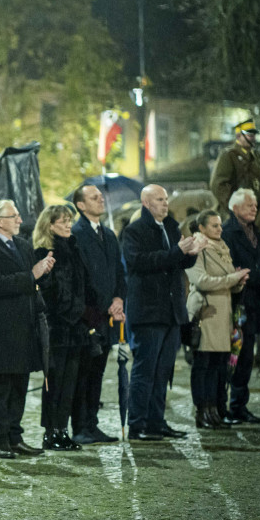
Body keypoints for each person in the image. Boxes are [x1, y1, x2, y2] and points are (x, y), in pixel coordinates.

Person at [123, 185, 206, 441]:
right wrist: (177, 252)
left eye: (166, 199)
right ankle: (137, 425)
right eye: (159, 199)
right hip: (148, 312)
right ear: (146, 202)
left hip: (171, 312)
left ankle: (156, 421)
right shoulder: (134, 231)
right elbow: (139, 262)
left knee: (163, 371)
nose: (165, 203)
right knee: (145, 371)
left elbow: (176, 262)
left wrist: (191, 254)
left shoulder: (171, 226)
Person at [0, 200, 50, 459]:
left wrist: (43, 272)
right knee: (2, 386)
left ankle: (16, 437)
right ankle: (1, 440)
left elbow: (33, 281)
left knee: (20, 384)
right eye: (13, 216)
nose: (19, 220)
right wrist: (31, 276)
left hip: (25, 326)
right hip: (1, 328)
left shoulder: (23, 245)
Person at [185, 210, 249, 429]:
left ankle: (214, 409)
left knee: (218, 365)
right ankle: (203, 410)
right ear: (201, 228)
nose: (219, 229)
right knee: (204, 364)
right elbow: (201, 281)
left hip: (223, 312)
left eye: (220, 225)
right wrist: (233, 278)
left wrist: (239, 282)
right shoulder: (198, 247)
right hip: (207, 313)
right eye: (213, 226)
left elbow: (225, 279)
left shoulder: (223, 247)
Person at [70, 185, 124, 445]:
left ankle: (93, 424)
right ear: (81, 205)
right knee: (83, 374)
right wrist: (103, 305)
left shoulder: (109, 235)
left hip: (106, 317)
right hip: (88, 317)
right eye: (94, 198)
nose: (100, 200)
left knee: (98, 373)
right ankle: (80, 426)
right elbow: (83, 279)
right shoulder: (77, 234)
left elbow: (118, 272)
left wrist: (118, 298)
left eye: (101, 197)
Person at [221, 188, 260, 423]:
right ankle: (225, 406)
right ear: (235, 208)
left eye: (255, 204)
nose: (254, 208)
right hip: (237, 304)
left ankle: (239, 406)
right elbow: (233, 271)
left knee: (246, 359)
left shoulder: (254, 231)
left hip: (254, 302)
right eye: (249, 205)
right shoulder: (228, 233)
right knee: (234, 358)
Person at [32, 205, 86, 451]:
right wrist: (68, 311)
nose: (68, 225)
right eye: (63, 221)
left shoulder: (73, 249)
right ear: (50, 225)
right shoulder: (43, 252)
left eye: (69, 220)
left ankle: (62, 430)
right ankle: (50, 431)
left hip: (75, 327)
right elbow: (47, 290)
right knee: (53, 382)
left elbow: (82, 286)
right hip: (55, 326)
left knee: (69, 382)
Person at [210, 119, 260, 236]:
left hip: (256, 208)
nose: (253, 138)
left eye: (253, 135)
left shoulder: (257, 157)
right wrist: (232, 207)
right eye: (249, 135)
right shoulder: (229, 155)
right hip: (236, 209)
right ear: (239, 136)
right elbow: (218, 184)